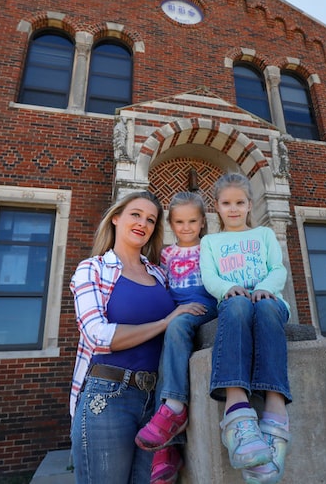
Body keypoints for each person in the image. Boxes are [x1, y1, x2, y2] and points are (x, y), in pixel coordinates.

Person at [69, 190, 205, 484]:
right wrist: (165, 321)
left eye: (151, 220)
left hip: (157, 403)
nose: (143, 223)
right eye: (136, 215)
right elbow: (97, 336)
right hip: (108, 396)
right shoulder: (92, 269)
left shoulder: (161, 274)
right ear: (116, 218)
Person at [199, 173, 292, 484]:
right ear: (217, 207)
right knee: (237, 304)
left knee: (265, 306)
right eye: (227, 203)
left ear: (250, 204)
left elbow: (277, 268)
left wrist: (265, 287)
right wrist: (229, 288)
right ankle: (237, 415)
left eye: (240, 202)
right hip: (235, 303)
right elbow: (210, 278)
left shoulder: (264, 234)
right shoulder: (210, 242)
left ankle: (275, 414)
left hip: (268, 302)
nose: (234, 208)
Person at [134, 192, 218, 484]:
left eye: (192, 221)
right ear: (170, 224)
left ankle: (174, 408)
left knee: (179, 326)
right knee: (163, 353)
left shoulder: (210, 246)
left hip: (204, 304)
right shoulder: (166, 254)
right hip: (177, 307)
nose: (186, 227)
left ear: (203, 222)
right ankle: (167, 450)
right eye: (179, 222)